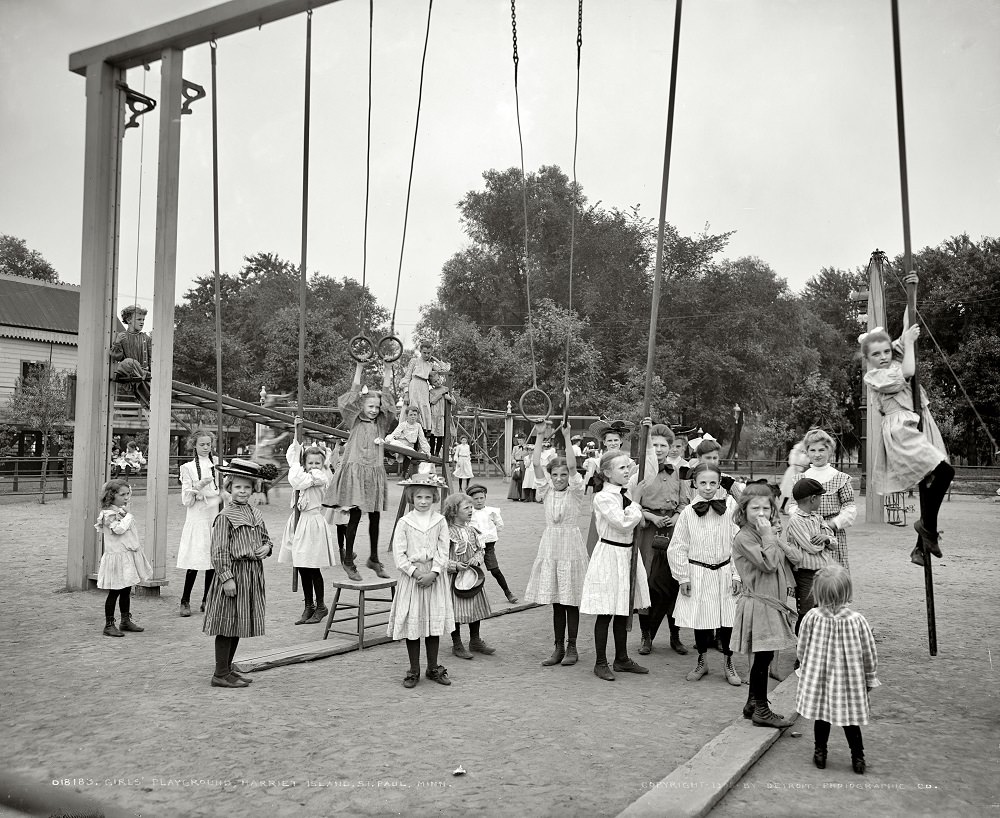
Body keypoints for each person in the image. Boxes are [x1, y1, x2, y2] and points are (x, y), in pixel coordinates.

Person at [861, 301, 953, 565]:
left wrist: (910, 292)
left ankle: (921, 546)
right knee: (944, 472)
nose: (884, 356)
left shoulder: (895, 355)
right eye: (876, 354)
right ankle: (928, 530)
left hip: (920, 420)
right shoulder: (875, 377)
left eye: (887, 351)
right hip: (901, 429)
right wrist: (909, 343)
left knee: (933, 479)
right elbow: (909, 371)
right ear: (868, 359)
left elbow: (907, 326)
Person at [796, 565, 880, 774]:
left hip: (820, 680)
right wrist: (870, 678)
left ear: (817, 592)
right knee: (851, 721)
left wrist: (804, 668)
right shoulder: (857, 621)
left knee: (821, 717)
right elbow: (869, 653)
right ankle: (858, 757)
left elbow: (802, 647)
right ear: (847, 591)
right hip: (849, 683)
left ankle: (820, 753)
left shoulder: (812, 617)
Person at [579, 449, 651, 681]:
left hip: (628, 554)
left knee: (624, 609)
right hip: (610, 554)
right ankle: (600, 662)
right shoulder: (603, 497)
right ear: (607, 473)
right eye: (622, 468)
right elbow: (622, 523)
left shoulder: (625, 492)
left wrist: (648, 442)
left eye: (627, 467)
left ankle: (621, 658)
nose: (627, 471)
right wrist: (637, 502)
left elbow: (649, 469)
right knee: (607, 610)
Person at [202, 459, 275, 688]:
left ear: (253, 489)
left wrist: (267, 547)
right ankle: (220, 674)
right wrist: (226, 578)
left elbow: (265, 538)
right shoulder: (225, 516)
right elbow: (219, 550)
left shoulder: (254, 513)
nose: (242, 491)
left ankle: (228, 668)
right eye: (237, 487)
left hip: (252, 575)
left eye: (246, 487)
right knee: (227, 624)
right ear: (229, 489)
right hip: (234, 574)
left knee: (238, 623)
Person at [668, 463, 742, 686]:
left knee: (727, 620)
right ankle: (702, 660)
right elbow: (677, 546)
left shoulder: (729, 511)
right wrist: (683, 577)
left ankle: (729, 662)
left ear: (719, 483)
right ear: (695, 484)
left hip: (724, 572)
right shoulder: (688, 514)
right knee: (701, 619)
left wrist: (736, 575)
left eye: (713, 483)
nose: (708, 488)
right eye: (703, 483)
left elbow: (737, 545)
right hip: (698, 572)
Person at [731, 483, 798, 727]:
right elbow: (768, 564)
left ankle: (752, 704)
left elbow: (792, 559)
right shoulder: (745, 537)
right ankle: (761, 710)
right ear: (743, 510)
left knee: (765, 656)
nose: (761, 513)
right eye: (754, 508)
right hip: (759, 604)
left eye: (766, 508)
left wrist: (774, 537)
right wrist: (769, 536)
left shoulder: (765, 534)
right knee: (762, 658)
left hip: (772, 603)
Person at [523, 423, 589, 667]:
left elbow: (572, 467)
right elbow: (537, 464)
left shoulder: (575, 492)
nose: (560, 479)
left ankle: (572, 646)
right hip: (551, 546)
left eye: (562, 475)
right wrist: (540, 435)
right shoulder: (547, 491)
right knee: (557, 601)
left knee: (570, 599)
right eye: (556, 475)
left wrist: (567, 437)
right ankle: (558, 646)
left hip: (571, 546)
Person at [328, 361, 396, 581]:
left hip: (373, 471)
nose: (375, 410)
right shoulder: (354, 420)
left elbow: (387, 400)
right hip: (357, 471)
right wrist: (358, 367)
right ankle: (348, 560)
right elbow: (349, 398)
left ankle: (374, 558)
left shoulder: (382, 424)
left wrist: (387, 371)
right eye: (370, 406)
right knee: (355, 516)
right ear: (362, 407)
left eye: (376, 407)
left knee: (375, 516)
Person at [387, 474, 454, 688]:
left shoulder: (440, 521)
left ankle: (433, 667)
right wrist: (416, 573)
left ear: (434, 497)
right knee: (414, 624)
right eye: (419, 497)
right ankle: (413, 669)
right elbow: (399, 554)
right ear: (411, 498)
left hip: (434, 578)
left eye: (427, 496)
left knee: (432, 624)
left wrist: (434, 573)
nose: (423, 501)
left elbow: (444, 550)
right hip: (413, 578)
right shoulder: (405, 522)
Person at [630, 423, 691, 656]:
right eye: (654, 444)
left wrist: (676, 517)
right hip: (648, 531)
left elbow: (685, 502)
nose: (658, 449)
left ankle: (675, 635)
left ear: (669, 447)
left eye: (663, 445)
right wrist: (651, 517)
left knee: (673, 582)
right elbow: (632, 503)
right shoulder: (639, 472)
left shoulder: (679, 473)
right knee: (648, 582)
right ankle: (646, 636)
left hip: (674, 532)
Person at [278, 432, 338, 625]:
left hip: (312, 523)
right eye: (310, 463)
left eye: (317, 463)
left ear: (322, 464)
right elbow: (293, 459)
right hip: (300, 521)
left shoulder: (320, 477)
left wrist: (298, 465)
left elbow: (296, 480)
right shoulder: (303, 473)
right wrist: (296, 439)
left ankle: (321, 605)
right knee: (302, 566)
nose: (313, 467)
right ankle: (309, 605)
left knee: (312, 567)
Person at [787, 428, 856, 572]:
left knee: (833, 578)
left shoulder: (840, 478)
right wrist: (803, 522)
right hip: (806, 533)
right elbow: (793, 505)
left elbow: (850, 508)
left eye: (821, 450)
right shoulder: (801, 479)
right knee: (808, 575)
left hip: (831, 534)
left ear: (829, 451)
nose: (817, 455)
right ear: (807, 452)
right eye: (812, 450)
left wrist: (832, 524)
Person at [177, 429, 225, 617]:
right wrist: (199, 487)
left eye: (208, 444)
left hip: (213, 517)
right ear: (194, 445)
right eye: (202, 444)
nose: (206, 448)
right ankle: (185, 600)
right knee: (195, 560)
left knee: (212, 560)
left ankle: (207, 599)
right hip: (197, 519)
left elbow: (225, 490)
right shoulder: (188, 468)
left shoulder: (219, 465)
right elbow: (186, 501)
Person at [95, 479, 152, 637]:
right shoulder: (108, 514)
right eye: (122, 494)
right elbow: (119, 529)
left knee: (126, 589)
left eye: (128, 494)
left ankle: (125, 620)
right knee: (114, 591)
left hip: (126, 555)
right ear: (112, 495)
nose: (126, 497)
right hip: (116, 556)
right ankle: (109, 624)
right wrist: (128, 516)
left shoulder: (121, 511)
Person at [778, 478, 835, 636]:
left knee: (822, 610)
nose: (821, 500)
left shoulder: (817, 517)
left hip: (822, 572)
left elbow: (833, 540)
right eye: (820, 497)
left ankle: (816, 645)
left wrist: (826, 538)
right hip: (806, 573)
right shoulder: (796, 520)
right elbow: (811, 546)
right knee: (806, 612)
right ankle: (802, 649)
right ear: (812, 498)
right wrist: (825, 540)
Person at [445, 492, 495, 660]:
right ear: (453, 511)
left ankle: (475, 640)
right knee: (456, 610)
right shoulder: (446, 532)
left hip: (472, 577)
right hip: (455, 578)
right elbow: (440, 557)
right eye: (466, 508)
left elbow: (480, 549)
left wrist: (476, 559)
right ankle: (457, 643)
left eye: (471, 507)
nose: (470, 510)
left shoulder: (472, 531)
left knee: (474, 606)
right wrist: (454, 565)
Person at [467, 483, 518, 604]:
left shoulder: (491, 512)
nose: (479, 501)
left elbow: (500, 525)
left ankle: (508, 592)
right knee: (473, 571)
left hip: (489, 546)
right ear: (470, 500)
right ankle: (472, 597)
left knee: (495, 570)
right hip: (473, 547)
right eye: (475, 499)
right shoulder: (469, 512)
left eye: (481, 498)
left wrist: (490, 534)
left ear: (485, 498)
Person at [401, 341, 449, 432]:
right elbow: (407, 378)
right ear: (420, 351)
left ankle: (423, 430)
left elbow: (445, 369)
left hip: (424, 387)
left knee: (424, 407)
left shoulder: (430, 365)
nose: (426, 355)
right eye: (424, 353)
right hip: (414, 385)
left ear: (431, 353)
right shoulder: (414, 361)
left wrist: (435, 360)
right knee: (413, 407)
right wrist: (406, 394)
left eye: (429, 353)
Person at [110, 304, 152, 404]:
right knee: (128, 362)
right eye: (139, 319)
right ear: (129, 320)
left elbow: (151, 358)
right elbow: (117, 356)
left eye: (143, 320)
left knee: (146, 379)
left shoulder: (146, 338)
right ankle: (147, 397)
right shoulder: (122, 336)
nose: (142, 322)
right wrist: (117, 342)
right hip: (130, 372)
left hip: (144, 372)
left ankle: (148, 398)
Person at [385, 405, 431, 481]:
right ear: (407, 416)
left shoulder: (418, 426)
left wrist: (427, 451)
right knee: (393, 444)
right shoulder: (403, 425)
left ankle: (404, 473)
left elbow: (422, 439)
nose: (413, 417)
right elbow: (394, 434)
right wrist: (390, 440)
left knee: (409, 453)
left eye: (415, 415)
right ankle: (389, 454)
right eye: (411, 415)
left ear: (417, 416)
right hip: (400, 446)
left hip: (409, 447)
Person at [427, 371, 456, 458]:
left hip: (442, 416)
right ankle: (431, 451)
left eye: (438, 380)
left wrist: (449, 398)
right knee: (432, 435)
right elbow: (431, 401)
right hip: (433, 416)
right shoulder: (431, 391)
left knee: (440, 435)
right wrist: (439, 396)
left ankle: (437, 452)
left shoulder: (446, 389)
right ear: (432, 384)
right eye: (435, 382)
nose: (438, 382)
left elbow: (454, 402)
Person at [779, 440, 810, 514]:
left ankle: (784, 507)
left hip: (799, 471)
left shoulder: (804, 453)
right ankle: (785, 507)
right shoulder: (795, 451)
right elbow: (793, 461)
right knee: (791, 489)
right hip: (793, 471)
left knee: (796, 490)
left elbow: (805, 462)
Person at [507, 435, 526, 502]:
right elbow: (512, 456)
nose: (519, 442)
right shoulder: (515, 447)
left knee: (523, 480)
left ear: (524, 440)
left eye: (521, 440)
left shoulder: (527, 447)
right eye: (518, 440)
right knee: (516, 479)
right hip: (517, 464)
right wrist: (514, 462)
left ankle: (523, 496)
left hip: (524, 464)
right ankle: (515, 495)